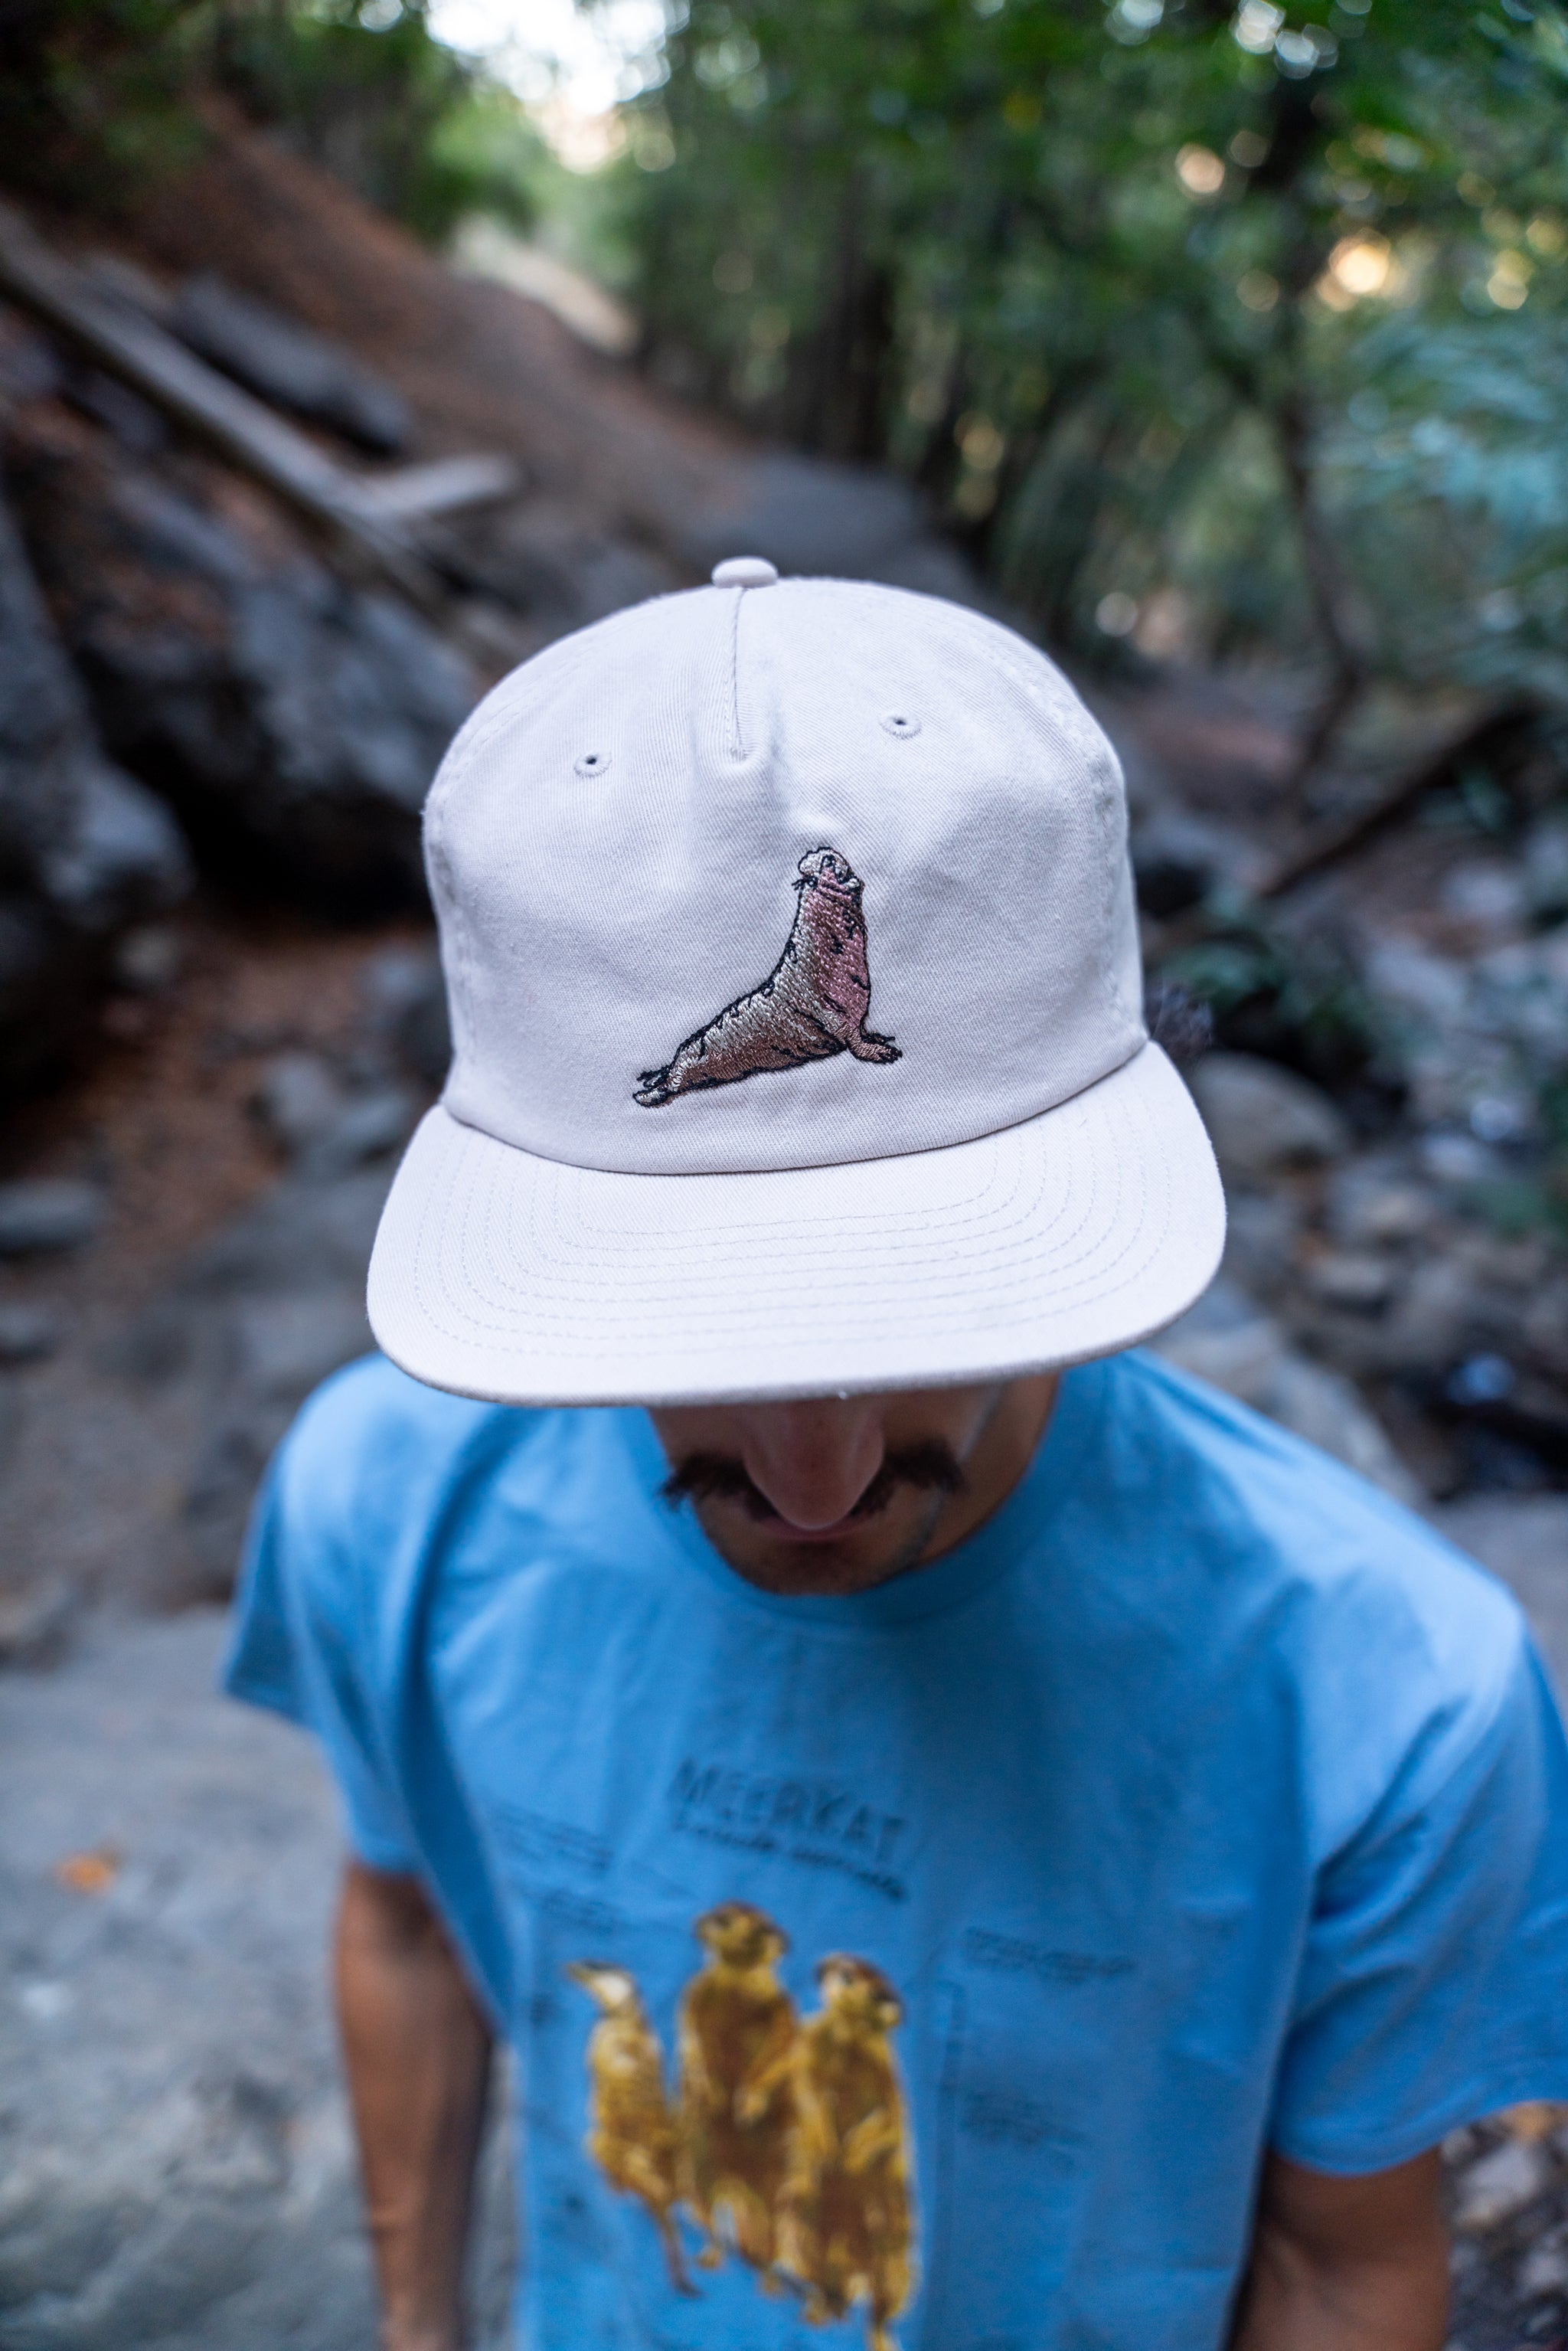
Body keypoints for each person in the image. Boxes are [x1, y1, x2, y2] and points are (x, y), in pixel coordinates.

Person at [228, 557, 1568, 2351]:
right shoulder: (381, 1508)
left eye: (921, 1304)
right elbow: (401, 1921)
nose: (811, 1471)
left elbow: (1337, 2255)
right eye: (688, 1328)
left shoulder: (1382, 1697)